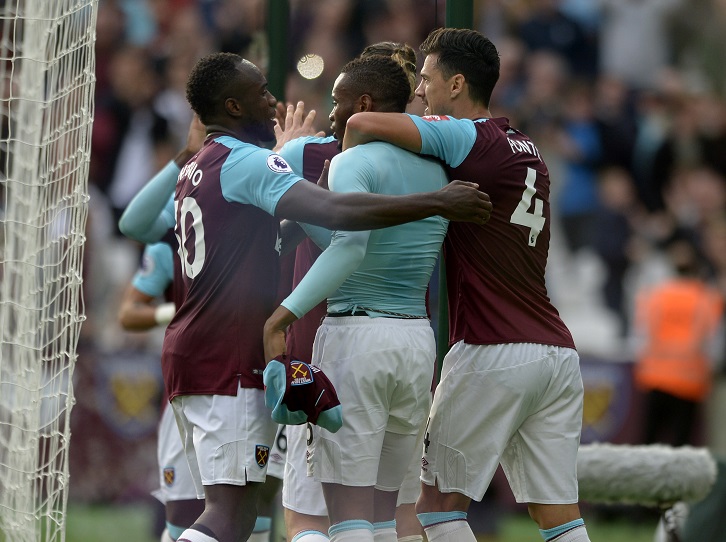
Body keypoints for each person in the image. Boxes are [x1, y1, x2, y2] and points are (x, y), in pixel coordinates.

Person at [120, 52, 491, 542]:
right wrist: (437, 202)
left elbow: (287, 230)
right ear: (233, 105)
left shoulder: (200, 165)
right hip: (230, 359)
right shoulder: (248, 162)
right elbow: (336, 213)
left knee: (249, 515)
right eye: (261, 93)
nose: (274, 101)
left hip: (201, 353)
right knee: (233, 515)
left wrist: (290, 164)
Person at [344, 28, 591, 542]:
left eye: (428, 80)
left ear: (457, 84)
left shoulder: (466, 137)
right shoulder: (531, 153)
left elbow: (361, 120)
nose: (419, 92)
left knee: (434, 506)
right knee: (559, 516)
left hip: (492, 348)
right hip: (556, 353)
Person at [265, 52, 446, 542]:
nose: (330, 111)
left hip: (355, 336)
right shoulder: (436, 168)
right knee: (388, 517)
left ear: (363, 103)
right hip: (415, 341)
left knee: (346, 517)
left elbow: (349, 249)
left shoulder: (349, 162)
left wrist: (282, 317)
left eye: (337, 100)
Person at [118, 243, 287, 542]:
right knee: (190, 515)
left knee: (255, 506)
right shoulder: (171, 241)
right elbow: (128, 312)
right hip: (204, 380)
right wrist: (178, 307)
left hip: (261, 379)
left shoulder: (264, 228)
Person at [633, 234, 723, 447]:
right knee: (681, 445)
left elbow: (642, 335)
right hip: (690, 382)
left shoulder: (656, 295)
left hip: (655, 377)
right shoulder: (707, 298)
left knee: (648, 441)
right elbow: (713, 344)